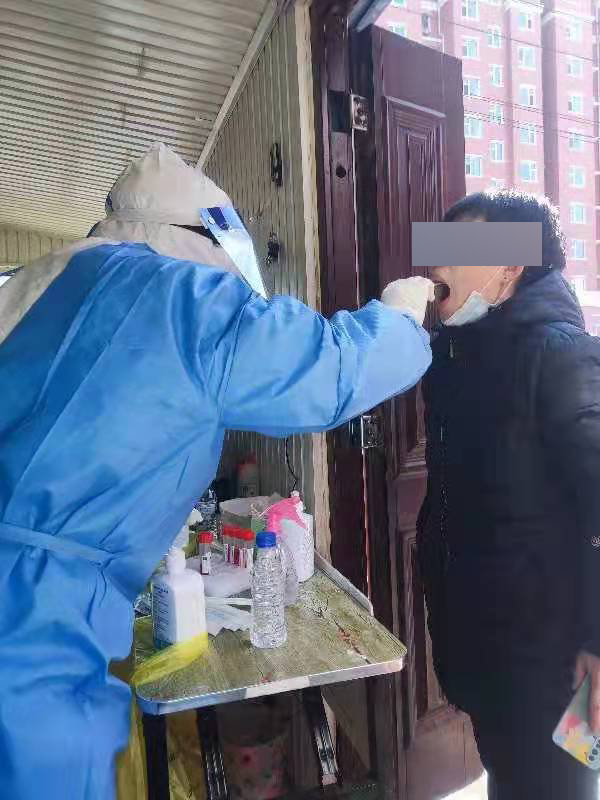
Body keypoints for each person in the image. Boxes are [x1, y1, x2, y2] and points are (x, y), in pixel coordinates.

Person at [0, 142, 434, 800]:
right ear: (206, 236)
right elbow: (329, 371)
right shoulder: (177, 294)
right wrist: (399, 318)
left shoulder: (39, 283)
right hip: (30, 620)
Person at [417, 189, 600, 799]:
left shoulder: (561, 354)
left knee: (560, 785)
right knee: (511, 779)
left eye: (457, 248)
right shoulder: (458, 358)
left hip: (558, 665)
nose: (436, 265)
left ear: (510, 266)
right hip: (487, 649)